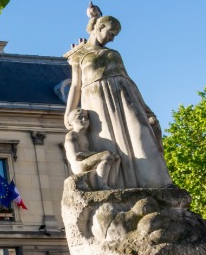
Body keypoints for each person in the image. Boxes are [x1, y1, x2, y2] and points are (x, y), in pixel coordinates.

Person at [64, 12, 174, 189]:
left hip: (124, 96)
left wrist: (145, 107)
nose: (112, 39)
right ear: (100, 27)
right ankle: (119, 185)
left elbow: (129, 80)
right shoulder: (79, 55)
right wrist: (69, 113)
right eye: (111, 33)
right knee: (108, 142)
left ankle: (154, 181)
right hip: (96, 99)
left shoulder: (114, 53)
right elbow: (76, 86)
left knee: (140, 134)